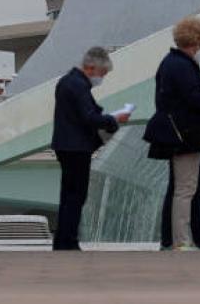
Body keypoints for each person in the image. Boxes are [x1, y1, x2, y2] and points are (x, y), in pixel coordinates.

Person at [143, 16, 200, 251]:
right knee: (186, 190)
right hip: (187, 136)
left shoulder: (170, 63)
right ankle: (181, 241)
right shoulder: (182, 66)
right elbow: (195, 99)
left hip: (181, 134)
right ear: (195, 43)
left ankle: (177, 240)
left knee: (183, 188)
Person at [51, 47, 128, 251]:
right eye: (102, 73)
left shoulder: (66, 81)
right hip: (77, 147)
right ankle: (69, 242)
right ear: (91, 67)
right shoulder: (79, 85)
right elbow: (89, 118)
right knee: (77, 196)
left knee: (67, 195)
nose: (101, 78)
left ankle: (61, 241)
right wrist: (113, 119)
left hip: (64, 144)